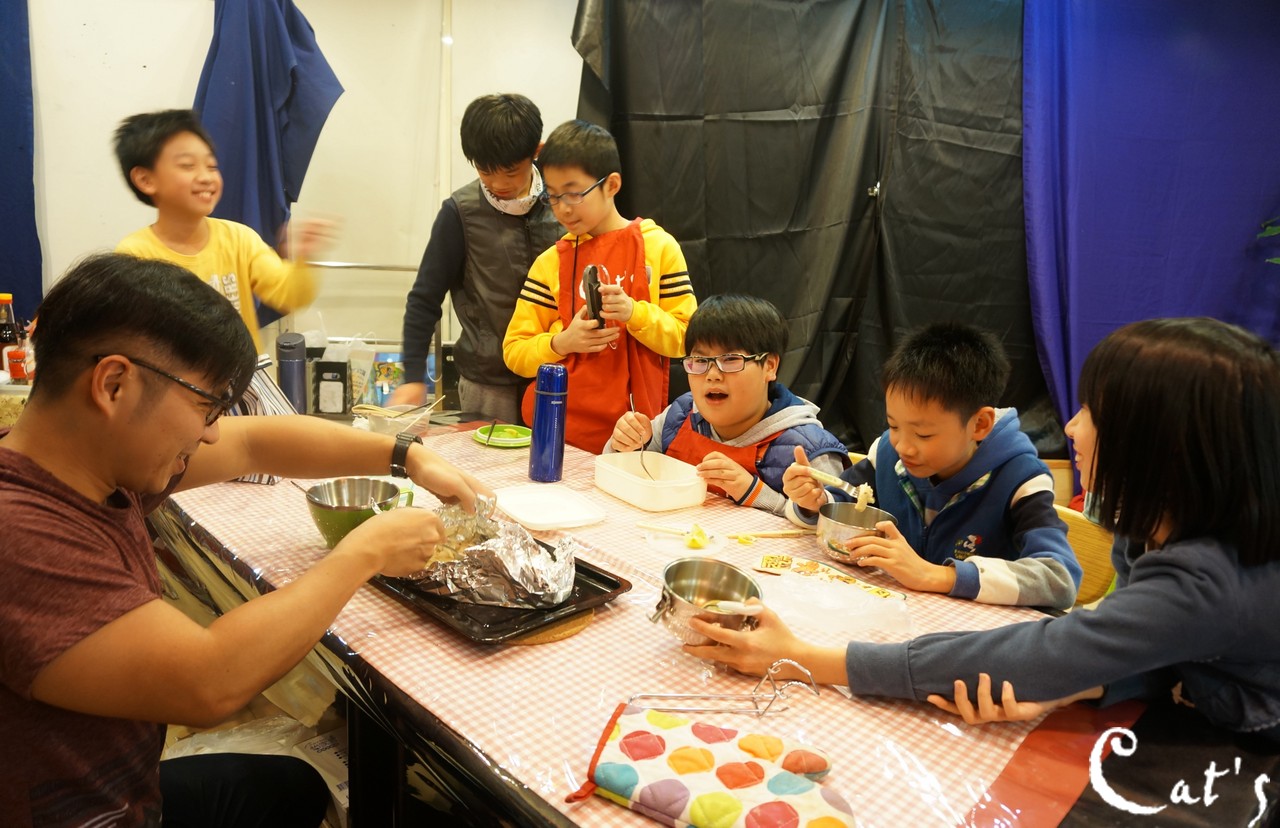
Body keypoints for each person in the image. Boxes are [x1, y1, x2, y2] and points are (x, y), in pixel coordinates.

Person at [0, 253, 492, 827]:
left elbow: (256, 442)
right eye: (206, 406)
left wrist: (407, 455)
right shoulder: (20, 534)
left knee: (291, 789)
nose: (211, 434)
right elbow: (207, 680)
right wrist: (366, 551)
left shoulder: (89, 462)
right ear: (114, 384)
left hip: (127, 786)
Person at [687, 317, 1280, 744]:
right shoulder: (1158, 528)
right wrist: (1081, 684)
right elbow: (1152, 647)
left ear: (1160, 448)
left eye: (1093, 413)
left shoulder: (1205, 580)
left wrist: (805, 658)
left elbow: (1052, 641)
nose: (1072, 428)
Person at [782, 322, 1079, 609]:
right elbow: (841, 506)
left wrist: (935, 575)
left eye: (923, 434)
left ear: (979, 424)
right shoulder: (886, 454)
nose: (903, 446)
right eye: (893, 425)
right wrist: (812, 503)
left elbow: (1059, 577)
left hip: (972, 633)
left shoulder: (1019, 479)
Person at [502, 119, 697, 453]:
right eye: (553, 196)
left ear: (612, 185)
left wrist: (634, 313)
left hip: (631, 437)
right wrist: (563, 342)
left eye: (574, 193)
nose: (563, 208)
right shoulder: (551, 262)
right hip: (555, 431)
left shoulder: (658, 247)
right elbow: (514, 352)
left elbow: (688, 340)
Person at [389, 93, 564, 423]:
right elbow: (425, 298)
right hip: (488, 383)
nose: (498, 184)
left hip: (558, 373)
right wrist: (413, 375)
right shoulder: (460, 212)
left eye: (510, 172)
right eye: (485, 171)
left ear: (536, 152)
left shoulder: (563, 201)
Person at [606, 294, 848, 515]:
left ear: (770, 366)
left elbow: (839, 528)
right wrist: (627, 446)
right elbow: (627, 475)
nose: (712, 375)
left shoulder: (809, 451)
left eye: (731, 359)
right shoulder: (680, 415)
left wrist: (754, 491)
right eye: (700, 360)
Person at [114, 109, 329, 354]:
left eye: (212, 166)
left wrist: (304, 258)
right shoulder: (134, 255)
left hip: (243, 374)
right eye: (187, 165)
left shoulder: (239, 239)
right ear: (145, 180)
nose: (206, 177)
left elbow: (289, 295)